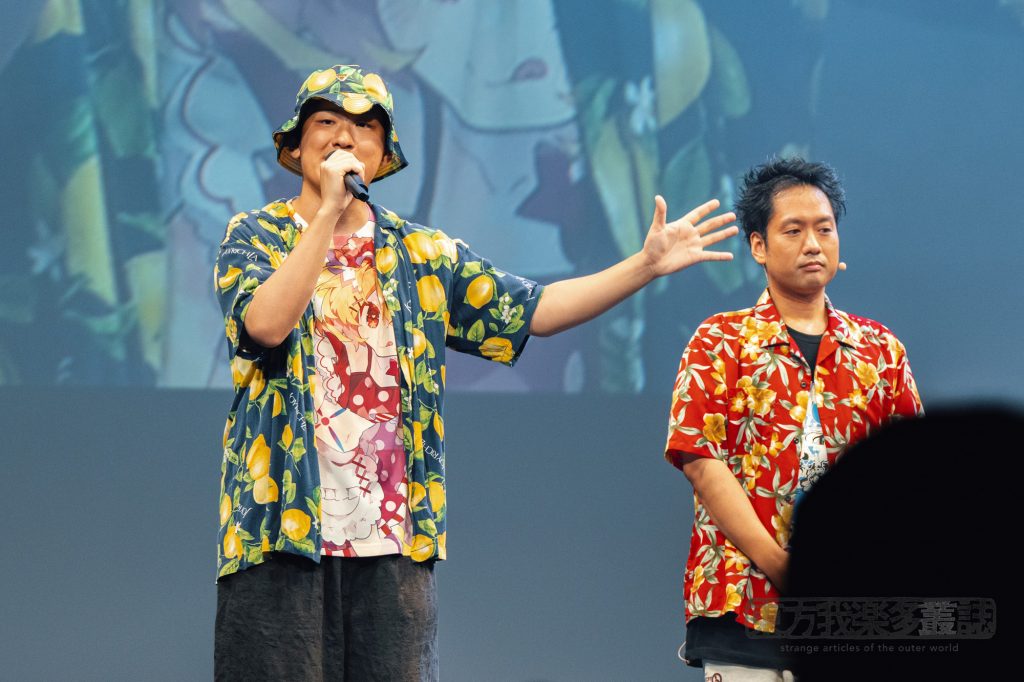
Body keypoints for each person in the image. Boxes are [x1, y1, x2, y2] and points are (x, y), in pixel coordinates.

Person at [213, 64, 737, 680]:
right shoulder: (256, 235)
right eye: (326, 121)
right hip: (278, 534)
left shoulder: (423, 254)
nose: (345, 137)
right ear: (297, 144)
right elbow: (266, 326)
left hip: (395, 543)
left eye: (365, 126)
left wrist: (643, 266)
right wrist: (327, 213)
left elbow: (536, 311)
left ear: (383, 154)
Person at [663, 157, 923, 680]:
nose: (813, 244)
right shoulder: (719, 341)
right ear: (758, 245)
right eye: (794, 230)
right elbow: (701, 462)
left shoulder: (881, 350)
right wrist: (785, 567)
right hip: (742, 609)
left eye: (824, 229)